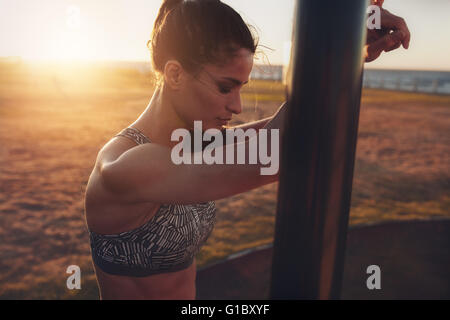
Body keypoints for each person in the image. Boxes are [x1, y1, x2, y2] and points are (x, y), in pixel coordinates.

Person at [83, 0, 410, 300]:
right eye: (225, 87)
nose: (237, 107)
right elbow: (282, 150)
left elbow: (278, 132)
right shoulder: (126, 166)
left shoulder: (192, 141)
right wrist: (340, 45)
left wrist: (352, 48)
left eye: (241, 88)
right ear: (174, 74)